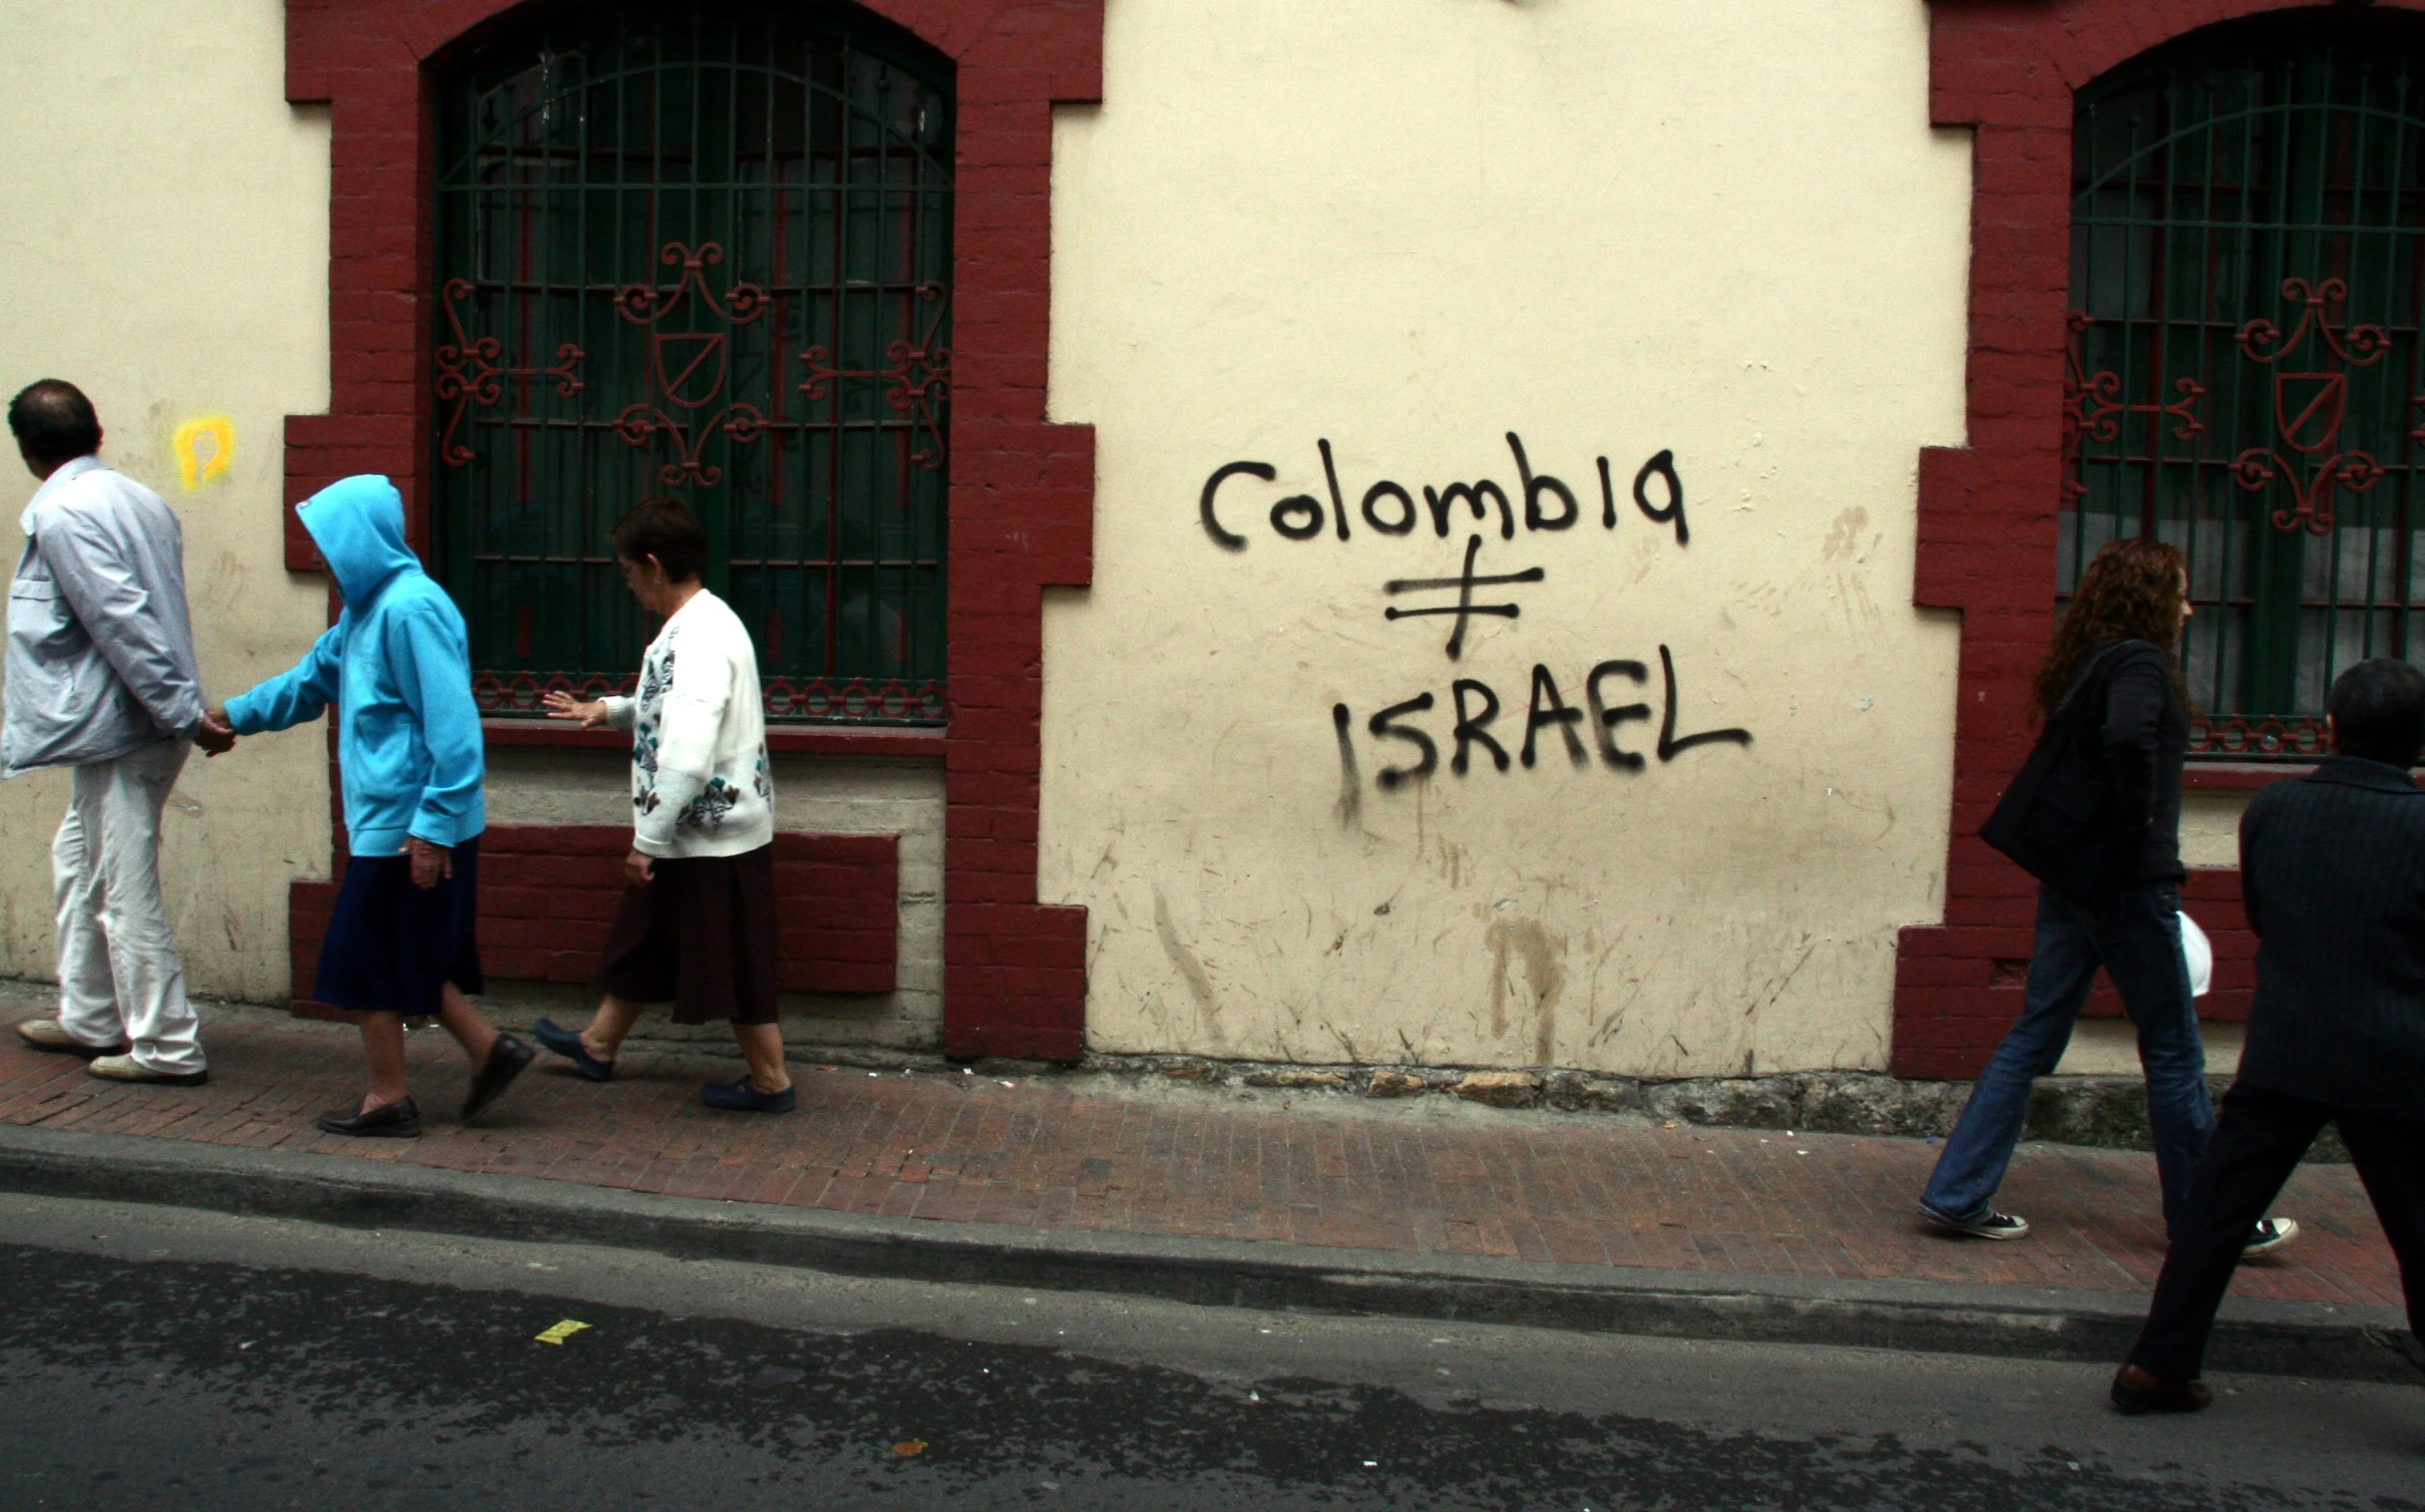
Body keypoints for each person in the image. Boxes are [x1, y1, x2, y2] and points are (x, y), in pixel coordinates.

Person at [1918, 537, 2293, 1254]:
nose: (2187, 608)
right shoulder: (2141, 663)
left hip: (2074, 881)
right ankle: (2209, 1219)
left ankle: (1956, 1192)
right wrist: (2139, 826)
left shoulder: (2088, 664)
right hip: (2125, 884)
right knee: (2174, 1049)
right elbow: (2128, 737)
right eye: (2178, 593)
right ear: (2151, 598)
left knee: (2034, 1033)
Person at [2112, 658, 2425, 1412]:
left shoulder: (2273, 810)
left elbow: (2262, 913)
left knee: (2216, 1213)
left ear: (2328, 729)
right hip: (2396, 1054)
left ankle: (2158, 1363)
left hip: (2287, 1043)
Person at [207, 475, 531, 1136]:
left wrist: (433, 828)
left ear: (361, 540)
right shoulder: (364, 612)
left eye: (330, 543)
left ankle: (389, 1098)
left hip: (411, 826)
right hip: (395, 825)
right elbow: (307, 683)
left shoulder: (409, 611)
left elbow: (455, 732)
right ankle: (489, 1052)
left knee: (362, 958)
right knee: (401, 952)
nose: (323, 558)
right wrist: (232, 717)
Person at [534, 498, 792, 1113]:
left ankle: (771, 1082)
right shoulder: (705, 622)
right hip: (703, 825)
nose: (628, 585)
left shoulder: (697, 638)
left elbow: (687, 751)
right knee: (646, 935)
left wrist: (646, 840)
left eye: (627, 571)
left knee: (730, 958)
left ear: (653, 565)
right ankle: (598, 1045)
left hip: (706, 830)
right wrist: (609, 710)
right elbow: (673, 710)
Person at [5, 379, 227, 1087]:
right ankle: (91, 1014)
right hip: (126, 720)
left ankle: (166, 1045)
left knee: (122, 888)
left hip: (129, 723)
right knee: (78, 857)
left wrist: (182, 714)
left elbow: (122, 622)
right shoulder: (137, 499)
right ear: (94, 432)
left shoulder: (67, 512)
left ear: (28, 449)